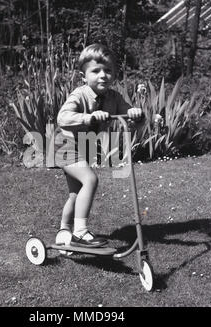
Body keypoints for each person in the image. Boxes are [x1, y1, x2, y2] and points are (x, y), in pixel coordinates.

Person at [55, 43, 142, 248]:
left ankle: (64, 229)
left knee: (76, 194)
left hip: (84, 147)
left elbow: (127, 112)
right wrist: (88, 117)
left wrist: (135, 114)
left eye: (108, 71)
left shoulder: (114, 97)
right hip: (65, 146)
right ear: (83, 75)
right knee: (90, 179)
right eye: (96, 71)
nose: (103, 75)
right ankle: (80, 232)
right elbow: (62, 117)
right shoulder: (80, 94)